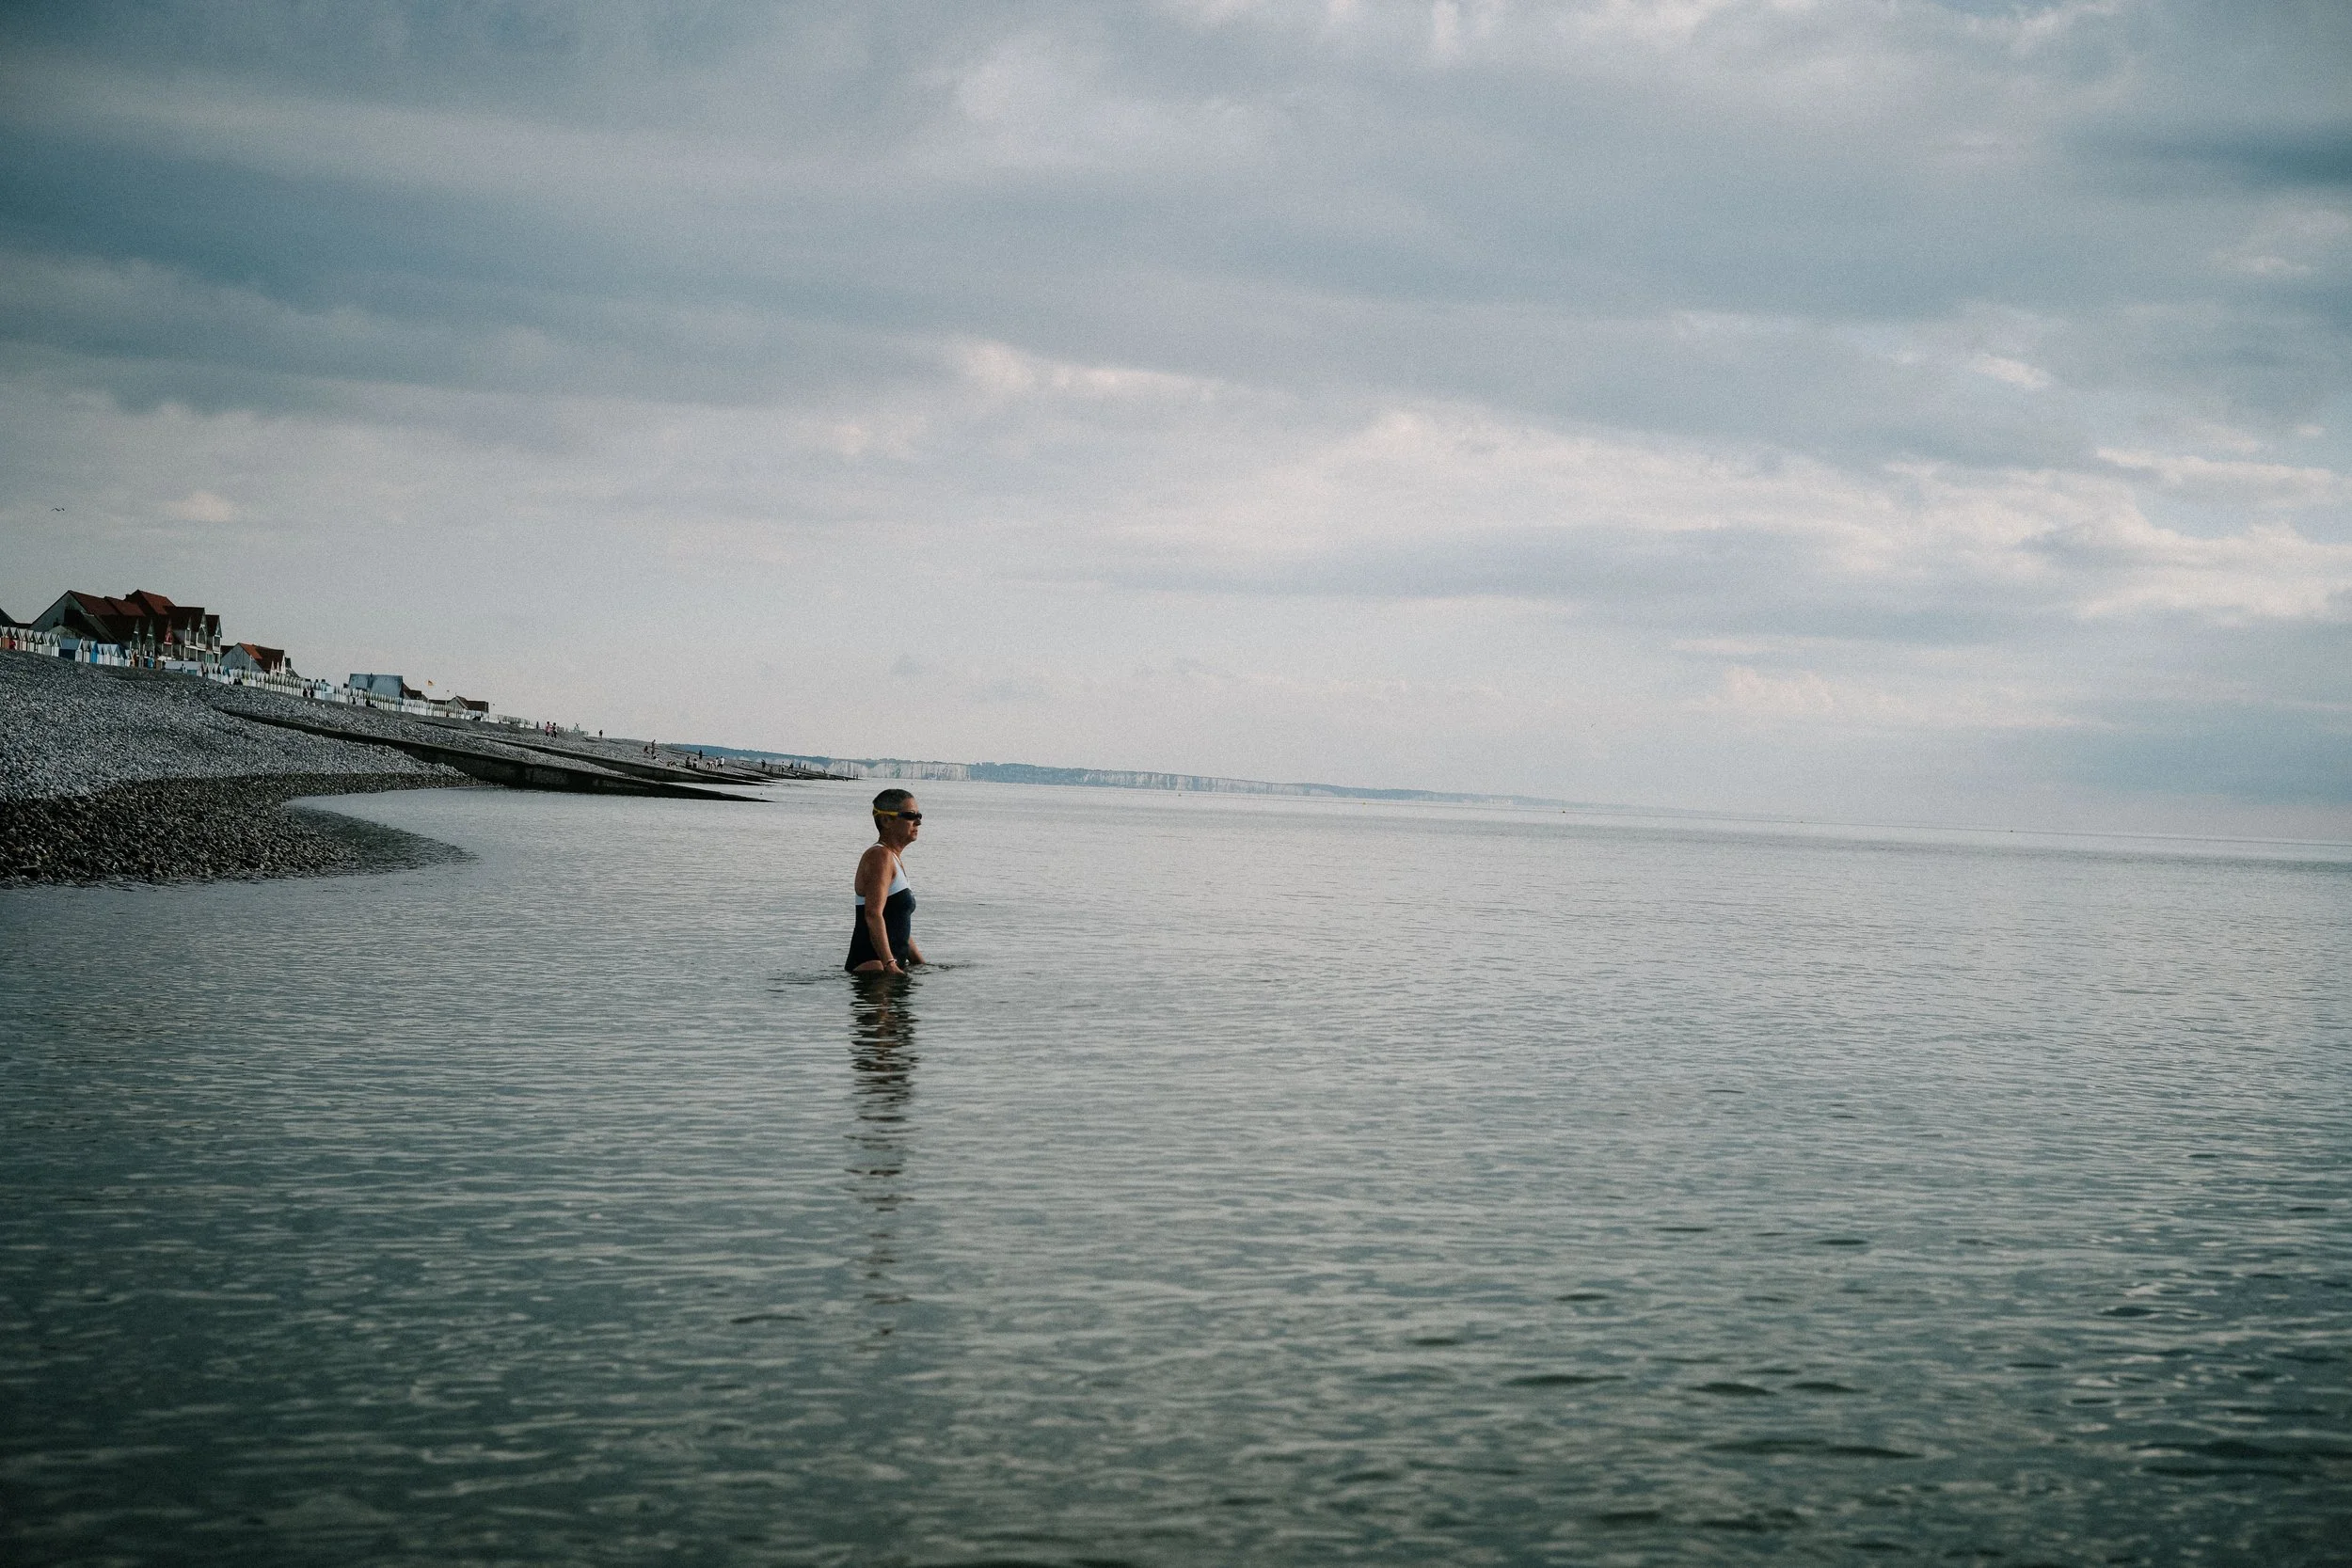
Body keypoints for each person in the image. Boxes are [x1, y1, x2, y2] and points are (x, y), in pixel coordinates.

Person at [846, 788, 925, 974]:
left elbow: (898, 923)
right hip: (873, 970)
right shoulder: (879, 856)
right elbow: (873, 914)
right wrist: (889, 964)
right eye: (910, 816)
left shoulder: (893, 858)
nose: (918, 822)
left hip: (888, 971)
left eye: (919, 816)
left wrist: (920, 963)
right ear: (886, 820)